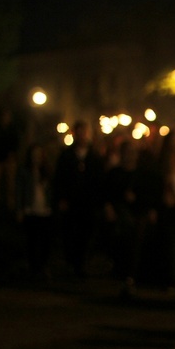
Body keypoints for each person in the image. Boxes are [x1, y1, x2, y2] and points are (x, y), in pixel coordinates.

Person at [52, 120, 105, 278]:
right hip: (71, 202)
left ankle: (80, 264)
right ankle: (70, 262)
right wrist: (61, 198)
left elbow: (98, 180)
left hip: (87, 203)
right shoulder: (66, 156)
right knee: (70, 233)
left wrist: (97, 201)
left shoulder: (94, 157)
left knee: (85, 234)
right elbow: (60, 178)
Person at [15, 143, 54, 280]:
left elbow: (52, 190)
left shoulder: (47, 171)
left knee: (45, 241)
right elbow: (19, 190)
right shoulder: (24, 171)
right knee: (32, 241)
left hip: (45, 211)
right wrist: (19, 209)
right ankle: (33, 267)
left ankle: (42, 266)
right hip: (31, 211)